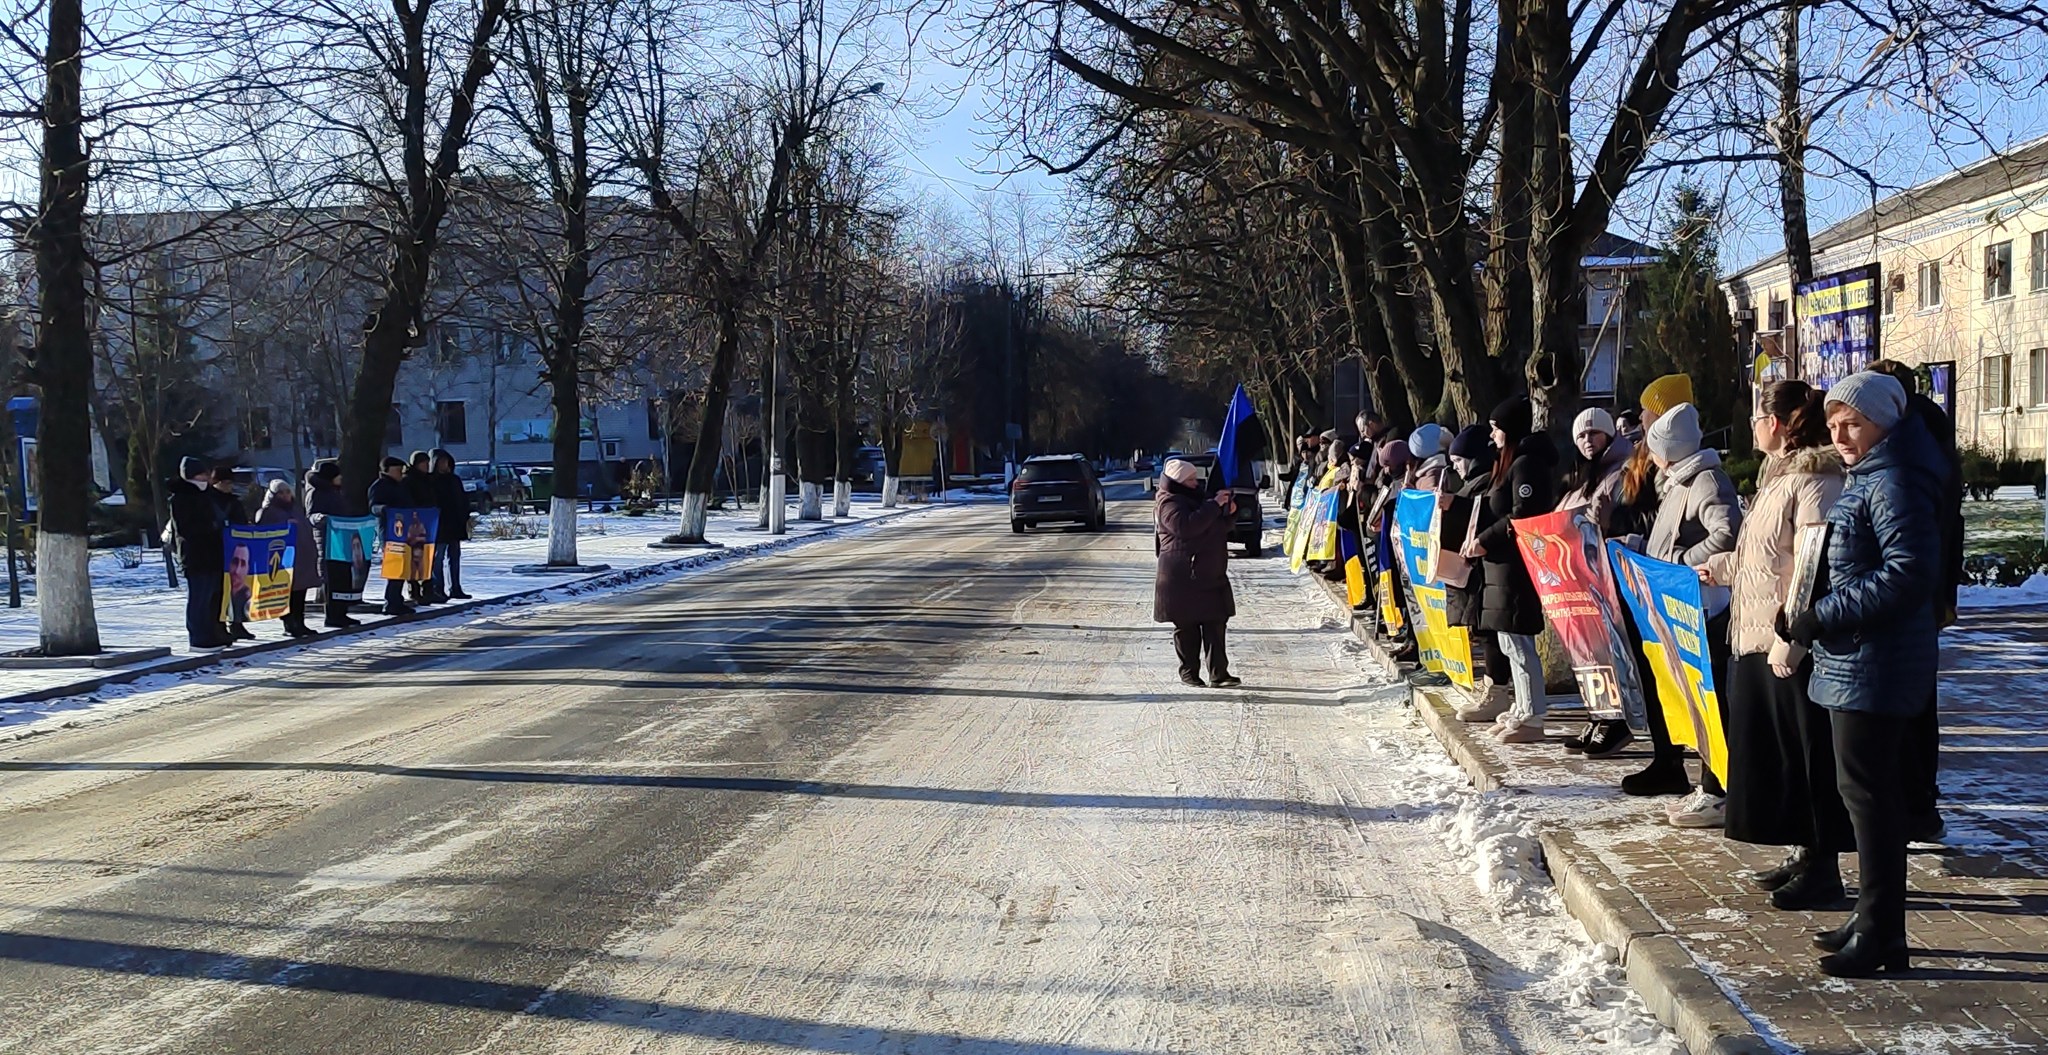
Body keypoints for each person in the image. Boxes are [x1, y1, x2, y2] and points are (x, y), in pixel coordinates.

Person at [1776, 371, 1943, 978]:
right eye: (1835, 425)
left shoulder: (1894, 478)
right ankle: (1872, 915)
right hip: (1857, 658)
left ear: (1885, 421)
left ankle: (1883, 934)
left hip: (1877, 662)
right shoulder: (1872, 473)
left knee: (1871, 799)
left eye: (1854, 424)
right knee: (1862, 796)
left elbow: (1906, 574)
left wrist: (1820, 614)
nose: (1842, 436)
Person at [1705, 380, 1852, 910]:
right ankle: (1800, 849)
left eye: (1757, 417)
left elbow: (1813, 565)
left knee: (1807, 755)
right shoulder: (1777, 478)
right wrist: (1719, 569)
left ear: (1781, 422)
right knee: (1780, 757)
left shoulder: (1816, 479)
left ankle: (1823, 866)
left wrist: (1793, 636)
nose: (1751, 426)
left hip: (1790, 643)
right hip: (1755, 636)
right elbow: (1767, 555)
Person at [1636, 402, 1743, 825]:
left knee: (1710, 699)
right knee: (1694, 700)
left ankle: (1719, 790)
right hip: (1679, 606)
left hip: (1703, 606)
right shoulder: (1678, 481)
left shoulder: (1704, 480)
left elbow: (1728, 532)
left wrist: (1682, 561)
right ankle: (1708, 784)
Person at [1867, 359, 1959, 844]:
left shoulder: (1908, 453)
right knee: (1917, 700)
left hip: (1912, 596)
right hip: (1930, 589)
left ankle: (1917, 804)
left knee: (1909, 702)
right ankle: (1919, 801)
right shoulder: (1927, 436)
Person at [1461, 396, 1554, 743]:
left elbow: (1522, 514)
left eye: (1497, 428)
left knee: (1520, 640)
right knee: (1507, 640)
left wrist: (1486, 538)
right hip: (1498, 567)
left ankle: (1534, 714)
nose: (1492, 435)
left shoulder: (1528, 464)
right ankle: (1521, 705)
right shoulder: (1507, 462)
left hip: (1516, 566)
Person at [1554, 407, 1636, 757]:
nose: (1588, 441)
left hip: (1607, 576)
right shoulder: (1583, 475)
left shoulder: (1622, 471)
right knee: (1589, 653)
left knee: (1611, 650)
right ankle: (1599, 712)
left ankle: (1617, 720)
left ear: (1609, 435)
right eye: (1582, 436)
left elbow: (1624, 518)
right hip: (1579, 580)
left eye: (1594, 433)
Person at [1443, 425, 1509, 721]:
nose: (1455, 469)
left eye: (1458, 461)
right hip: (1475, 570)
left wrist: (1455, 506)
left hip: (1485, 569)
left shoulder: (1487, 481)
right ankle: (1493, 688)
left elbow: (1484, 515)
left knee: (1491, 633)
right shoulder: (1476, 481)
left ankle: (1497, 692)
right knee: (1484, 631)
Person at [1155, 458, 1239, 688]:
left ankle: (1219, 674)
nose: (1195, 483)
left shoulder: (1197, 498)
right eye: (1190, 480)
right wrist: (1213, 506)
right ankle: (1189, 672)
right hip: (1182, 576)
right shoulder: (1168, 503)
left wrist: (1229, 513)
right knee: (1187, 627)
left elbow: (1215, 527)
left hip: (1208, 573)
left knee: (1215, 623)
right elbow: (1186, 527)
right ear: (1179, 481)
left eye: (1195, 478)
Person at [169, 458, 231, 650]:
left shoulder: (206, 496)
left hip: (213, 554)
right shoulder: (181, 498)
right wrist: (211, 528)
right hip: (196, 556)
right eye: (200, 475)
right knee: (199, 598)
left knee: (212, 597)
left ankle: (211, 633)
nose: (205, 478)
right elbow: (186, 529)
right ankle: (198, 636)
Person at [255, 479, 321, 638]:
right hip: (283, 559)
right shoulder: (267, 512)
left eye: (287, 492)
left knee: (301, 591)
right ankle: (289, 623)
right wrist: (284, 524)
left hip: (302, 556)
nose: (285, 496)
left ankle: (300, 621)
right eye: (280, 493)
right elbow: (263, 533)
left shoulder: (296, 509)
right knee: (288, 592)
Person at [303, 460, 360, 629]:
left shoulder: (335, 492)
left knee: (343, 577)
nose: (341, 478)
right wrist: (322, 518)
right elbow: (311, 516)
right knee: (333, 579)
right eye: (337, 475)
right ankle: (333, 614)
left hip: (341, 539)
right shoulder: (316, 493)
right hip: (328, 541)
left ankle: (342, 612)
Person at [210, 464, 254, 640]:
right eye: (224, 482)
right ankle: (218, 626)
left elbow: (241, 521)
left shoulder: (234, 502)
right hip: (216, 550)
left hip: (235, 550)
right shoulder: (209, 501)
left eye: (230, 482)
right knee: (219, 591)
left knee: (236, 590)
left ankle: (237, 624)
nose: (228, 486)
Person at [369, 456, 416, 616]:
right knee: (395, 567)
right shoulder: (379, 486)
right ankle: (391, 601)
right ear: (387, 470)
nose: (400, 473)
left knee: (402, 567)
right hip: (390, 532)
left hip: (405, 530)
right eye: (397, 470)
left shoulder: (400, 486)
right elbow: (373, 507)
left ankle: (397, 599)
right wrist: (385, 509)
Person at [431, 449, 472, 600]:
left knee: (454, 558)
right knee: (438, 558)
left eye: (446, 462)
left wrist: (464, 516)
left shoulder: (454, 479)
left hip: (455, 525)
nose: (444, 465)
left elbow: (462, 500)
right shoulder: (432, 481)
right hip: (439, 526)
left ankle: (456, 587)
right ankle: (438, 588)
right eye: (441, 462)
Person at [405, 449, 438, 604]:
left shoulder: (428, 480)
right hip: (415, 523)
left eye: (427, 463)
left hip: (429, 521)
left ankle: (428, 589)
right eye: (423, 463)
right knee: (414, 558)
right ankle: (414, 590)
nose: (426, 466)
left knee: (427, 557)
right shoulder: (409, 480)